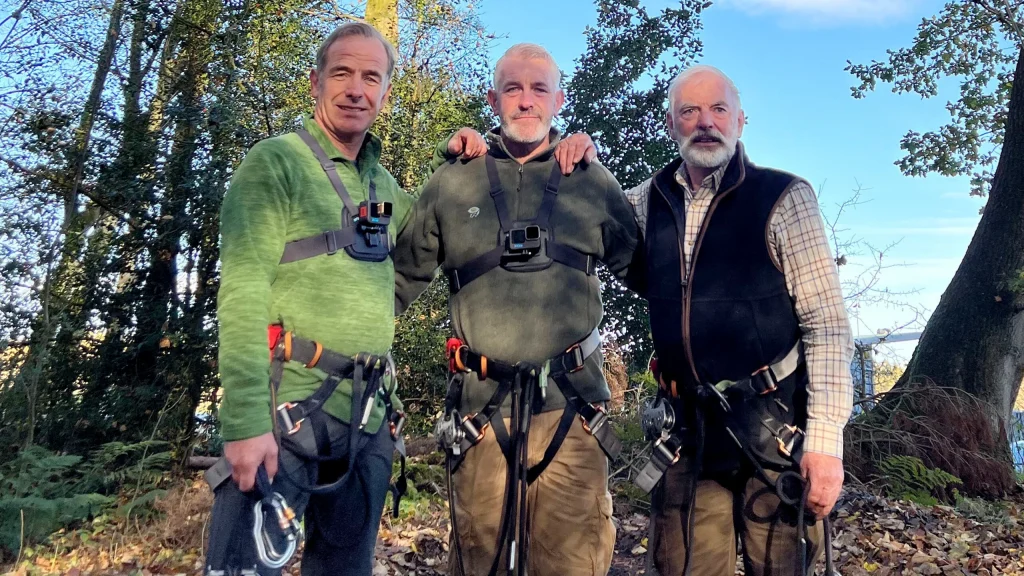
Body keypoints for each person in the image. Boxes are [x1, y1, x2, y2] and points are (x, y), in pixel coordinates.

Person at [204, 22, 486, 576]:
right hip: (285, 408)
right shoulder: (276, 162)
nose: (356, 89)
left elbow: (430, 237)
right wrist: (244, 421)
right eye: (342, 73)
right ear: (315, 82)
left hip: (368, 416)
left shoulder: (383, 185)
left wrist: (455, 157)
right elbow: (241, 291)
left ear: (385, 92)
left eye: (371, 77)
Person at [393, 43, 638, 576]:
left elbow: (651, 272)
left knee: (573, 564)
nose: (526, 101)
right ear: (493, 99)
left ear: (558, 99)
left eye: (539, 89)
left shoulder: (590, 179)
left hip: (573, 413)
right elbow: (396, 281)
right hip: (481, 415)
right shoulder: (454, 180)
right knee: (480, 561)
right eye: (513, 88)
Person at [626, 65, 854, 576]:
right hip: (688, 436)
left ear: (740, 120)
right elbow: (582, 222)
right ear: (670, 124)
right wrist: (571, 151)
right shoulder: (644, 202)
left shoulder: (784, 196)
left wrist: (825, 444)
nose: (706, 122)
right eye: (689, 111)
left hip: (774, 433)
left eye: (718, 109)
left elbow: (826, 324)